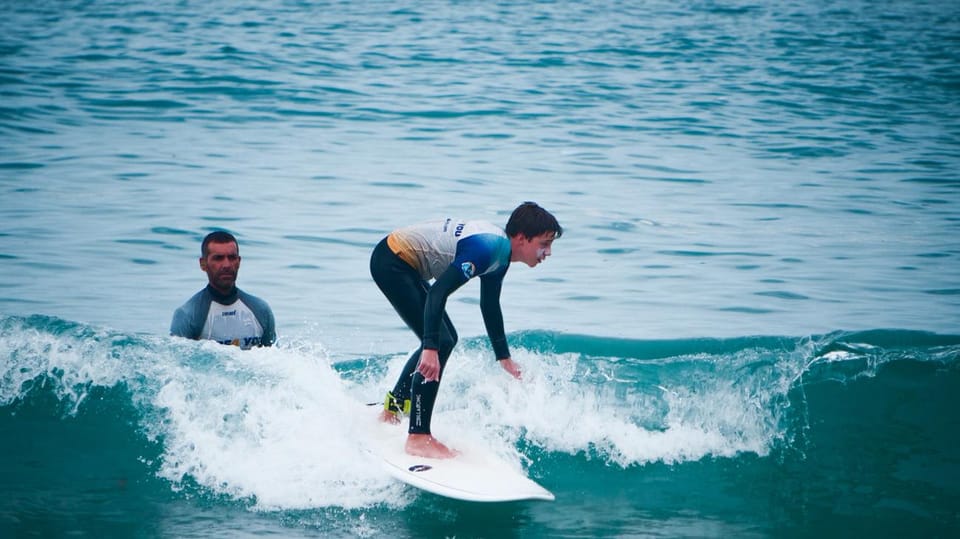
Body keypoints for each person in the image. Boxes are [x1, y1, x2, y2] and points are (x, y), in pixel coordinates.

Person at [370, 202, 562, 459]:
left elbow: (490, 305)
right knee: (441, 342)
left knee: (446, 339)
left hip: (401, 261)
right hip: (392, 262)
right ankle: (418, 436)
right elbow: (438, 292)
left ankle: (392, 411)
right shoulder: (487, 248)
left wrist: (503, 357)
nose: (547, 252)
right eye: (544, 243)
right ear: (521, 238)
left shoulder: (500, 256)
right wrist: (429, 347)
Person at [171, 230, 276, 349]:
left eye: (232, 257)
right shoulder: (188, 315)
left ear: (239, 262)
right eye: (218, 258)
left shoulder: (261, 310)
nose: (226, 265)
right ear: (203, 264)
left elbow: (274, 360)